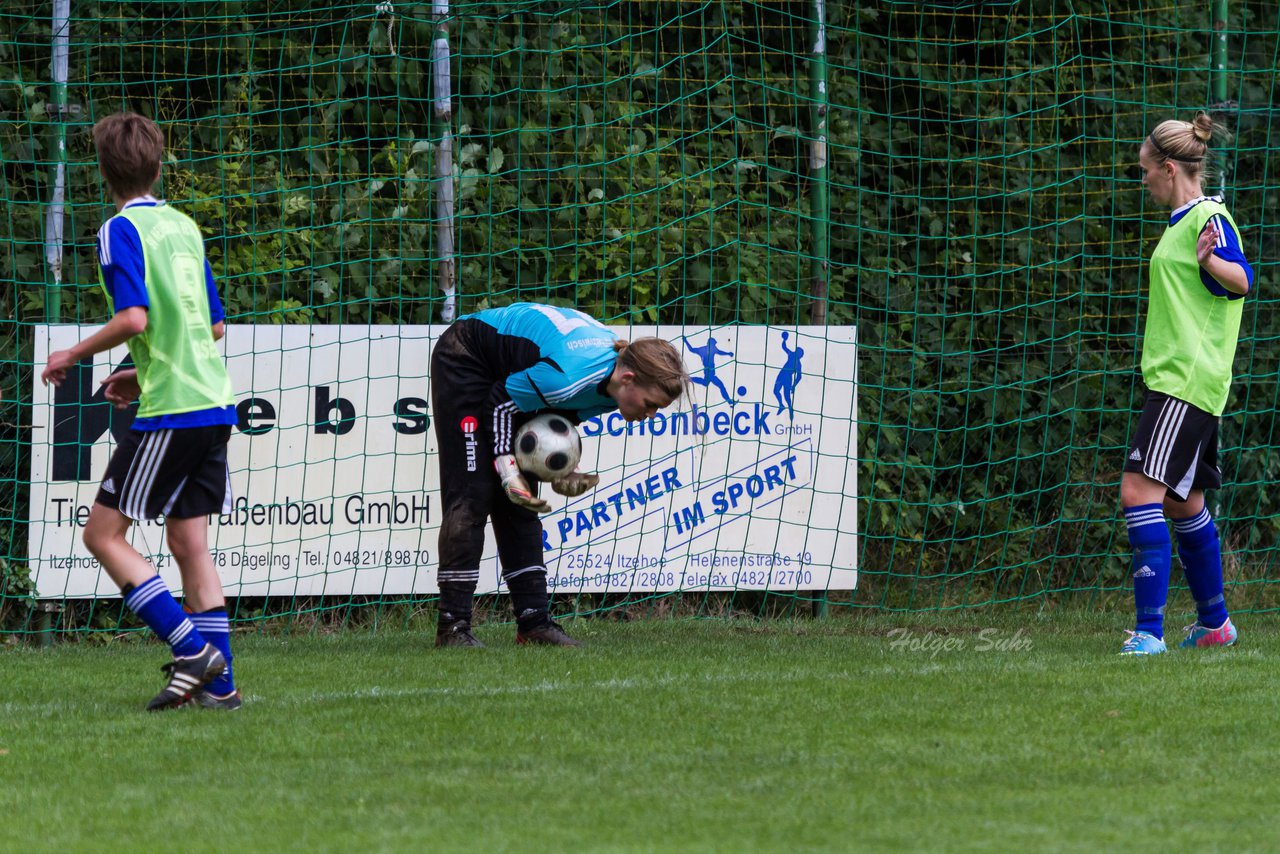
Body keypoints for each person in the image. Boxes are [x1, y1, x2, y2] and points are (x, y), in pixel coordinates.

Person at [41, 112, 242, 708]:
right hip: (214, 400)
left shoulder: (117, 230)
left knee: (102, 534)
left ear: (104, 173)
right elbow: (213, 324)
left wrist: (72, 352)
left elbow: (135, 318)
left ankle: (191, 651)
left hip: (174, 409)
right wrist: (138, 369)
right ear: (158, 166)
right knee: (189, 543)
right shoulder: (183, 225)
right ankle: (221, 690)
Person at [430, 302, 690, 647]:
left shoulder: (612, 390)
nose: (651, 414)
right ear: (628, 379)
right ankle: (453, 627)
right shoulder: (567, 377)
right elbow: (501, 402)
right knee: (472, 493)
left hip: (515, 376)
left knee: (522, 507)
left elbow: (555, 418)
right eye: (650, 404)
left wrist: (566, 467)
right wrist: (509, 472)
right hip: (466, 356)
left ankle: (534, 623)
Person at [1119, 112, 1255, 656]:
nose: (1143, 179)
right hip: (1188, 381)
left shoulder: (1208, 221)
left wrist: (1217, 266)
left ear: (1169, 167)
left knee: (1137, 491)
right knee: (1183, 502)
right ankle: (1215, 624)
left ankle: (1148, 633)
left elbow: (1243, 279)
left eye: (1145, 170)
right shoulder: (1185, 220)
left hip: (1184, 381)